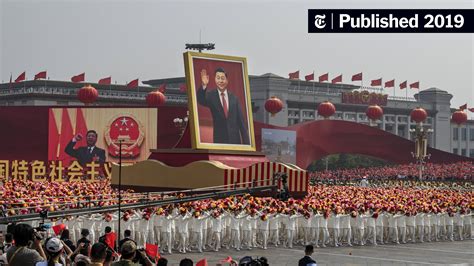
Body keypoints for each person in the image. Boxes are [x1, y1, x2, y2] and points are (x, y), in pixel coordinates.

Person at [197, 67, 250, 145]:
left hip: (235, 142)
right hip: (220, 141)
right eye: (218, 78)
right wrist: (204, 85)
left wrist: (247, 145)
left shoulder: (234, 98)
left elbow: (241, 123)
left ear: (227, 80)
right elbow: (201, 100)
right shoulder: (211, 96)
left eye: (223, 78)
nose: (220, 81)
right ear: (215, 80)